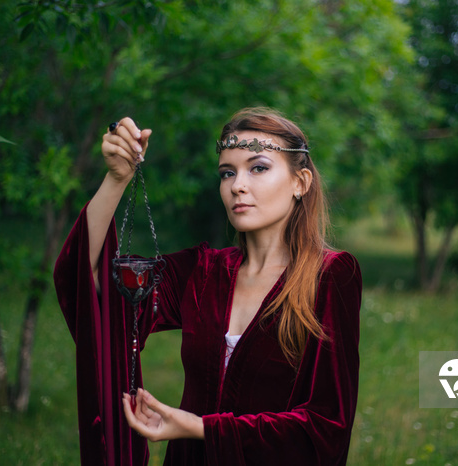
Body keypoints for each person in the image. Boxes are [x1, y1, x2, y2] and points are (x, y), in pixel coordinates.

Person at [54, 108, 362, 465]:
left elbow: (327, 428)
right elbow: (88, 279)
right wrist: (117, 178)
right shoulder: (202, 272)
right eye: (227, 173)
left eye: (258, 168)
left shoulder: (330, 275)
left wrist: (202, 428)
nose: (237, 185)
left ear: (300, 182)